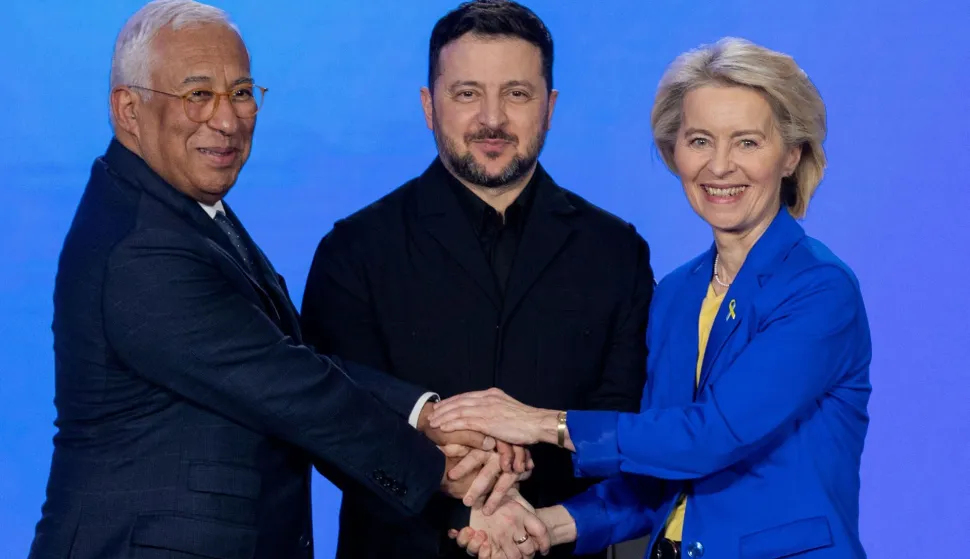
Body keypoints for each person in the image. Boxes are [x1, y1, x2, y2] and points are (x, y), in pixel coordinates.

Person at [27, 2, 516, 558]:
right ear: (129, 110)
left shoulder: (181, 208)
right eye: (197, 94)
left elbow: (288, 359)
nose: (227, 120)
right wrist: (444, 474)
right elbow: (290, 388)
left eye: (240, 92)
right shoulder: (142, 246)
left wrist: (425, 414)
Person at [432, 37, 872, 559]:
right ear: (673, 151)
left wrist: (541, 423)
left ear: (791, 155)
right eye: (700, 140)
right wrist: (543, 526)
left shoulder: (819, 289)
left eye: (747, 142)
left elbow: (709, 438)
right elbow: (656, 473)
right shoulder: (679, 293)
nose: (720, 166)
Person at [299, 1, 654, 557]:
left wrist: (524, 478)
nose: (492, 119)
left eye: (517, 94)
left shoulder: (617, 251)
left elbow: (623, 417)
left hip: (555, 545)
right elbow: (333, 420)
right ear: (429, 105)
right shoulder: (353, 249)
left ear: (550, 107)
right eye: (467, 93)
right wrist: (464, 500)